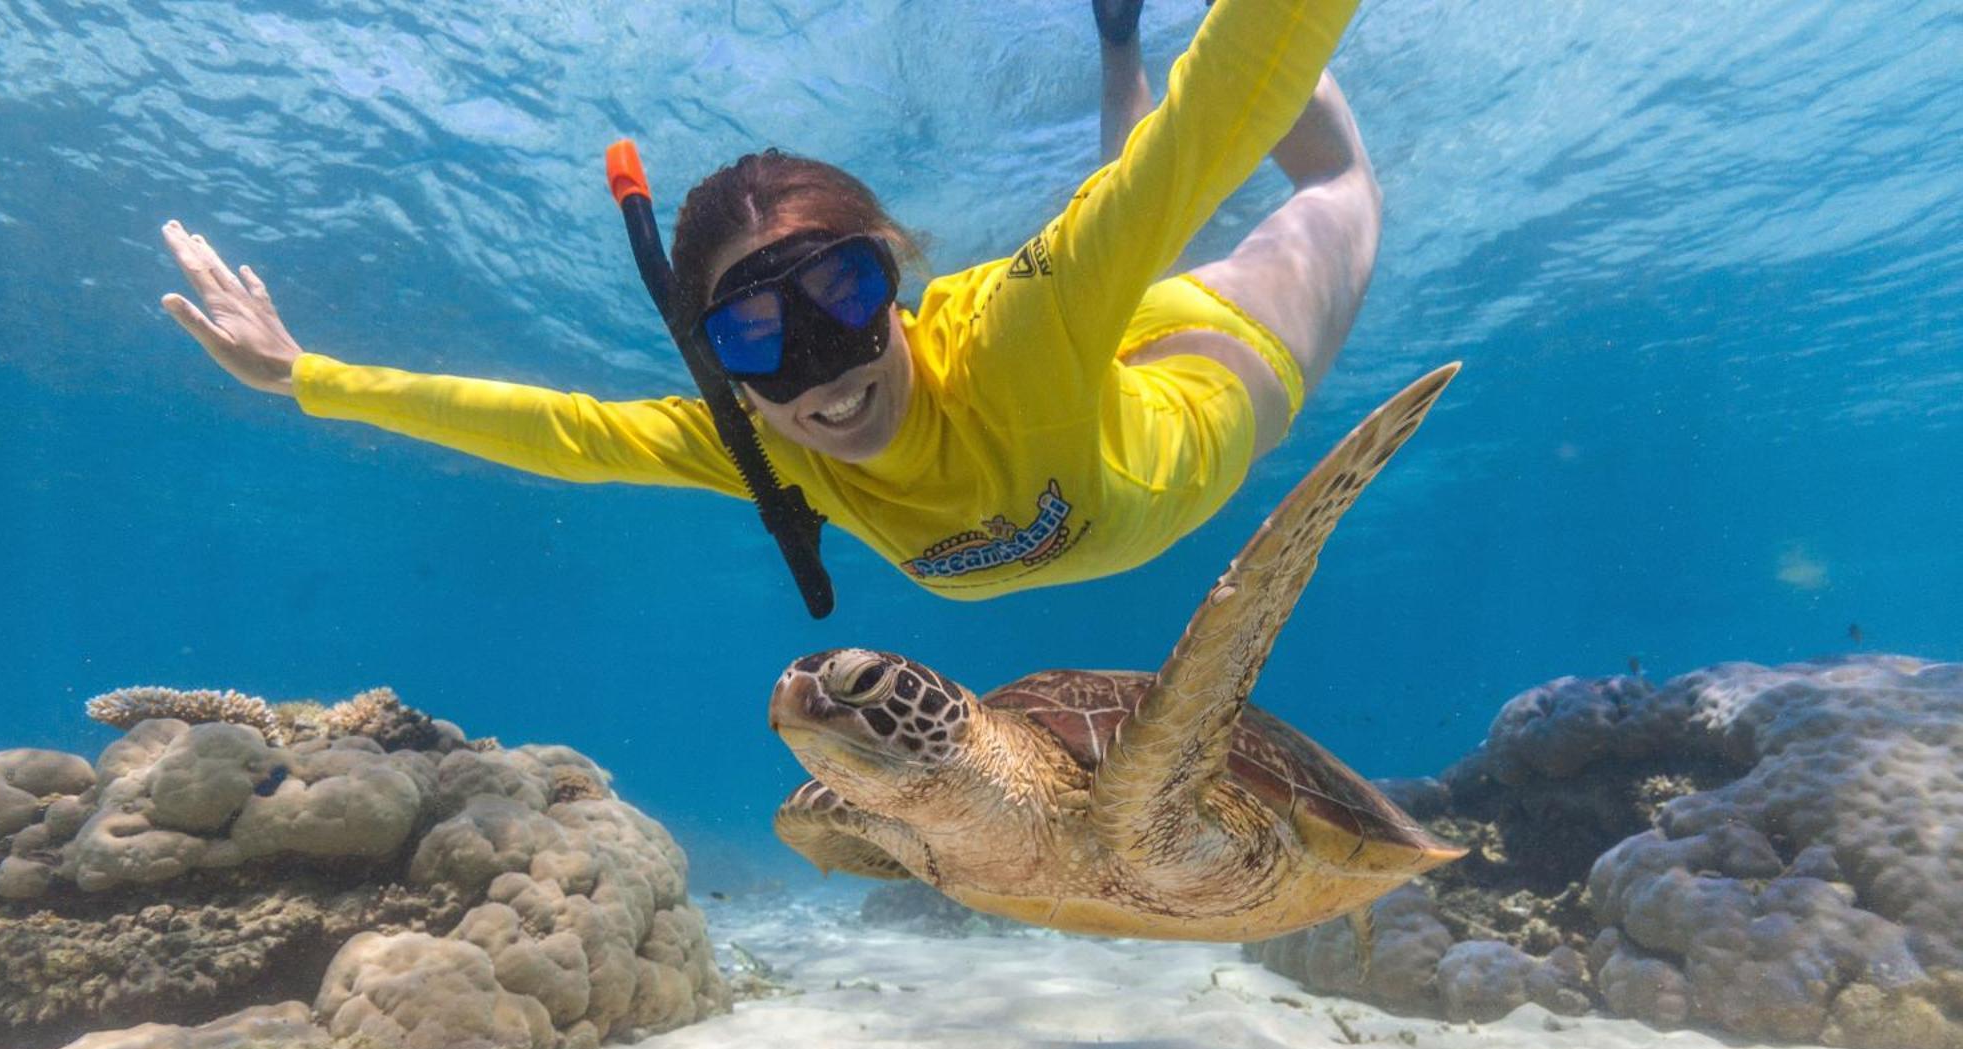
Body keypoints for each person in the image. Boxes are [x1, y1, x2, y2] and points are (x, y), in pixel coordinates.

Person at [162, 0, 1379, 601]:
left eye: (841, 293)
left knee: (1328, 184)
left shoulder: (1017, 330)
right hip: (1106, 352)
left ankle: (1158, 55)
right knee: (1133, 202)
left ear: (890, 278)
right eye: (754, 334)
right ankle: (1117, 42)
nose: (820, 371)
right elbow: (560, 434)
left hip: (1223, 356)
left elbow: (1209, 126)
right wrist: (302, 377)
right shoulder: (754, 442)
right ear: (715, 354)